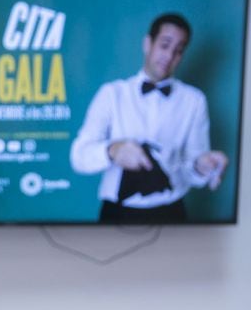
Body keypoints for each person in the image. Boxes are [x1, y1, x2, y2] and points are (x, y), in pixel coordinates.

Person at [70, 12, 229, 222]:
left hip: (172, 213)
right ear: (148, 44)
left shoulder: (194, 100)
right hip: (117, 213)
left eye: (178, 51)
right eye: (164, 45)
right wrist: (113, 151)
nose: (169, 56)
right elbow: (79, 156)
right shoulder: (111, 94)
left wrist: (203, 166)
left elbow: (192, 169)